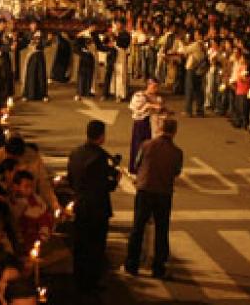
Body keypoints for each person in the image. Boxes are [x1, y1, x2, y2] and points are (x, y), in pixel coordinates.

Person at [124, 118, 183, 279]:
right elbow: (176, 172)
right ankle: (158, 267)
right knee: (161, 230)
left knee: (138, 228)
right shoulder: (177, 152)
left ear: (160, 129)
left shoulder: (146, 145)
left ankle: (132, 264)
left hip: (145, 190)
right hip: (164, 193)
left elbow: (136, 164)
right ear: (174, 132)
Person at [66, 120, 120, 293]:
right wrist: (115, 181)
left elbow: (70, 179)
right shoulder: (99, 158)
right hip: (96, 208)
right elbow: (103, 185)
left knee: (80, 244)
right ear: (102, 136)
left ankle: (78, 278)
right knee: (96, 246)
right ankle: (91, 282)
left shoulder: (75, 153)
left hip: (80, 204)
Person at [128, 78, 165, 173]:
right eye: (153, 86)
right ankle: (137, 170)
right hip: (141, 124)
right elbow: (135, 109)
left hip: (154, 125)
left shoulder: (158, 98)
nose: (155, 88)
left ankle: (150, 170)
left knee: (152, 149)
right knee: (139, 147)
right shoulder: (139, 96)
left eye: (157, 86)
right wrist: (149, 106)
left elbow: (160, 112)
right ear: (148, 85)